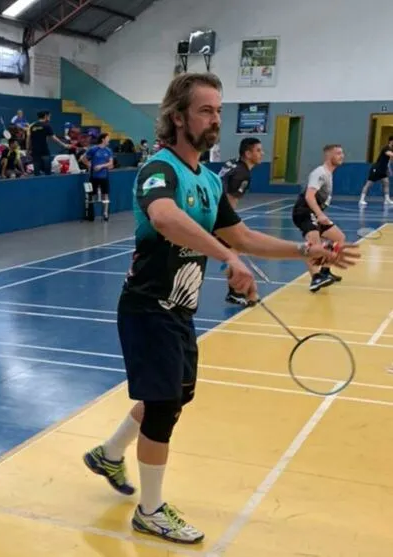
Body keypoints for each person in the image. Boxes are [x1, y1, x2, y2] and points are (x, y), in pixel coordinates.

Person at [81, 72, 359, 545]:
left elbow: (244, 237)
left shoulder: (209, 181)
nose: (215, 120)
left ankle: (109, 453)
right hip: (148, 308)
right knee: (165, 405)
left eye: (218, 111)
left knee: (170, 396)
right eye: (205, 110)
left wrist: (305, 253)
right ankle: (150, 511)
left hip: (180, 311)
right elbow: (165, 218)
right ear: (178, 117)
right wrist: (228, 258)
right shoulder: (159, 170)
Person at [291, 144, 349, 292]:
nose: (342, 156)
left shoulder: (329, 174)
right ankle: (315, 278)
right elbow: (309, 196)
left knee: (339, 238)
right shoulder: (320, 173)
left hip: (314, 212)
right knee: (313, 244)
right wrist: (320, 214)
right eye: (338, 153)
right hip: (304, 211)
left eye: (342, 153)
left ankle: (325, 272)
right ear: (329, 156)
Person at [218, 137, 264, 305]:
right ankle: (244, 293)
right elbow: (229, 202)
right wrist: (232, 228)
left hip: (210, 211)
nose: (262, 154)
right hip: (217, 217)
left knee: (232, 254)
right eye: (258, 150)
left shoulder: (233, 163)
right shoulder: (242, 173)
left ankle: (238, 293)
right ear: (248, 153)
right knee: (233, 255)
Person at [81, 133, 115, 220]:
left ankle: (105, 213)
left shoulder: (108, 151)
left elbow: (111, 164)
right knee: (92, 195)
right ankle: (91, 214)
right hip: (94, 176)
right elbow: (83, 159)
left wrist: (101, 166)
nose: (109, 140)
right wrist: (90, 165)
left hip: (104, 176)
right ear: (103, 139)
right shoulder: (93, 149)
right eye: (108, 138)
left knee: (105, 195)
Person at [358, 136, 393, 206]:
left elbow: (388, 161)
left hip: (383, 170)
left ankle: (387, 200)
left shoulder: (391, 149)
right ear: (391, 141)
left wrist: (389, 169)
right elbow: (390, 154)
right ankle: (361, 200)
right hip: (376, 169)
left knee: (386, 183)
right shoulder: (386, 148)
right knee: (369, 184)